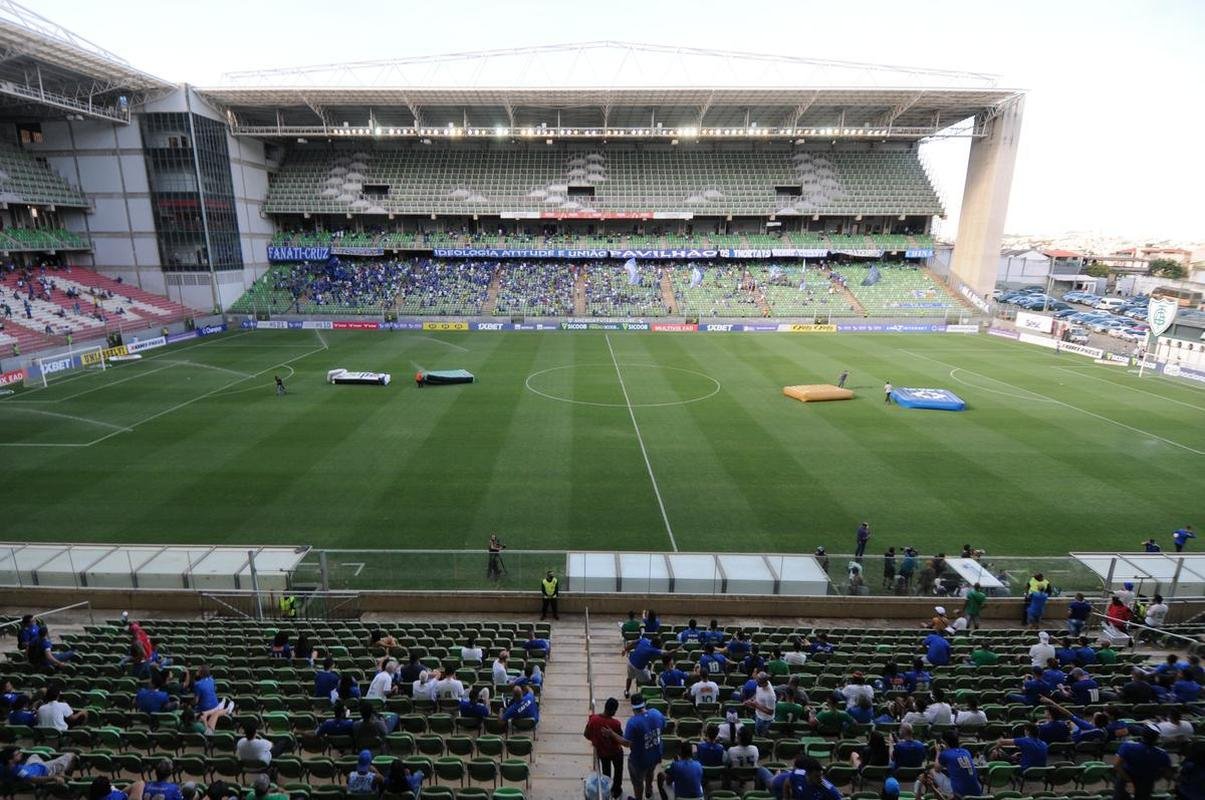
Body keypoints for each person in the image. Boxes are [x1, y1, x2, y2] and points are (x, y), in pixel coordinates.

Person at [624, 695, 666, 800]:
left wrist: (611, 734)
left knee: (638, 782)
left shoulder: (632, 722)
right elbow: (663, 727)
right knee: (650, 771)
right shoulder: (656, 713)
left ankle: (639, 798)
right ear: (644, 702)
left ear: (632, 706)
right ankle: (649, 789)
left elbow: (626, 743)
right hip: (656, 754)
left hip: (639, 760)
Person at [1113, 723, 1172, 800]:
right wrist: (1154, 778)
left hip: (1125, 782)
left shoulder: (1128, 746)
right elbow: (1167, 773)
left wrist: (1129, 781)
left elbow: (1117, 765)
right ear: (1156, 738)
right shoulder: (1162, 754)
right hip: (1146, 784)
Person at [585, 697, 625, 799]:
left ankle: (607, 789)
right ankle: (616, 790)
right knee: (618, 771)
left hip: (602, 753)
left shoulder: (593, 719)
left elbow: (586, 734)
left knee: (606, 773)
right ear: (613, 710)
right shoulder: (615, 723)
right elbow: (620, 738)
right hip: (615, 752)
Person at [1, 747, 77, 789]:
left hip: (31, 765)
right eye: (17, 754)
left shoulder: (3, 766)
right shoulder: (18, 771)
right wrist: (53, 778)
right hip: (45, 770)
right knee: (71, 755)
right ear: (10, 760)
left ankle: (60, 772)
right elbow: (34, 780)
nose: (21, 754)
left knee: (34, 755)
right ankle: (65, 776)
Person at [936, 731, 981, 799]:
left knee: (932, 771)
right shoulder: (966, 751)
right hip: (977, 792)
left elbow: (937, 768)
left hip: (959, 794)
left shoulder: (944, 754)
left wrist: (938, 752)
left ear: (944, 743)